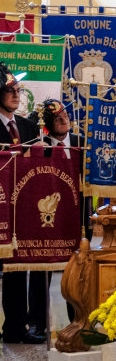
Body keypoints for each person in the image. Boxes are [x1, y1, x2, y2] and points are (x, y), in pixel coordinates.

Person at [0, 62, 45, 344]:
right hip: (1, 206)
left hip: (25, 208)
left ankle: (16, 329)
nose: (16, 95)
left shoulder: (28, 125)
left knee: (20, 268)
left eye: (18, 89)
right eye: (10, 90)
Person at [35, 98, 86, 327]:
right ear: (48, 125)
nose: (64, 120)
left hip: (77, 216)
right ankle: (38, 322)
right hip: (47, 216)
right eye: (57, 118)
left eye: (65, 115)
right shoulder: (39, 146)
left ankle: (78, 319)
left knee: (76, 270)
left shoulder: (81, 143)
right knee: (41, 270)